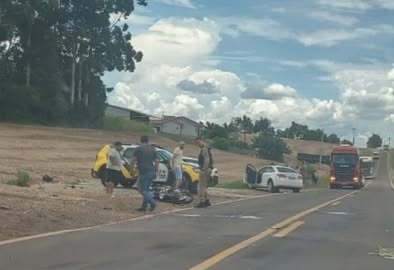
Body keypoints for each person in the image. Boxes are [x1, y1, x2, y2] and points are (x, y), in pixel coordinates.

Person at [132, 135, 159, 213]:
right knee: (147, 189)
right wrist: (156, 171)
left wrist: (132, 170)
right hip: (151, 170)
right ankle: (144, 206)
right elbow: (157, 161)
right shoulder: (153, 149)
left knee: (142, 190)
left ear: (141, 140)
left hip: (143, 171)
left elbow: (133, 160)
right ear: (148, 141)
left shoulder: (138, 149)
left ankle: (152, 203)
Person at [195, 137, 211, 208]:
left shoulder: (204, 149)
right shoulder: (206, 149)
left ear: (202, 141)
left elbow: (206, 159)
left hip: (204, 169)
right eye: (197, 143)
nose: (198, 144)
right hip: (207, 169)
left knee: (200, 186)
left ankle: (202, 201)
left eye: (198, 142)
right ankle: (207, 200)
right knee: (204, 186)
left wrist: (204, 169)